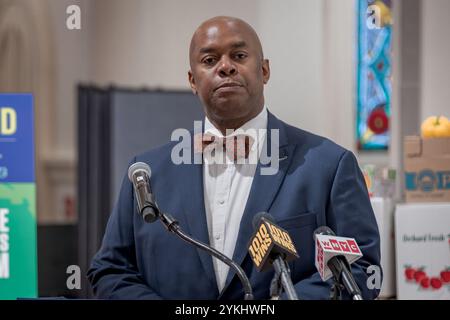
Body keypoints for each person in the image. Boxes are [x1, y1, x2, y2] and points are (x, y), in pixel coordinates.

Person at [87, 16, 382, 300]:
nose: (225, 67)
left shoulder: (328, 166)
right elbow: (110, 269)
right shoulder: (147, 174)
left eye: (239, 56)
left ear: (264, 70)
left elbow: (362, 269)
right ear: (192, 80)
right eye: (209, 60)